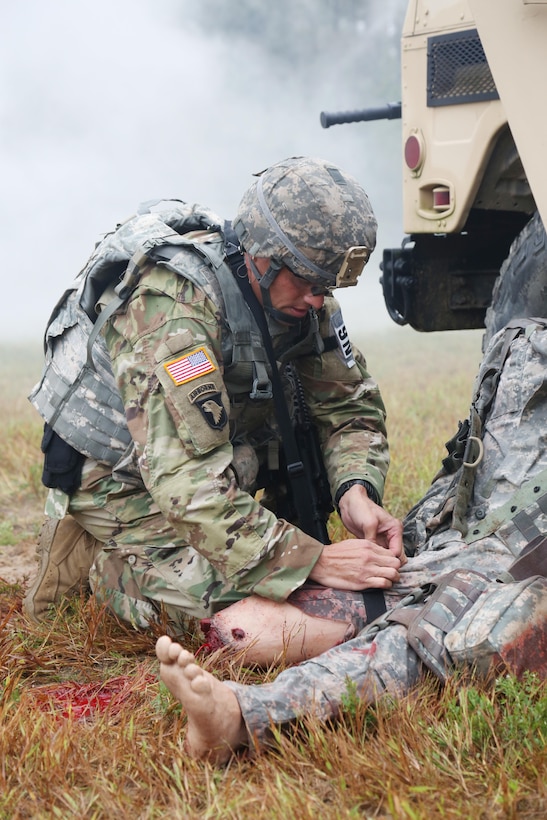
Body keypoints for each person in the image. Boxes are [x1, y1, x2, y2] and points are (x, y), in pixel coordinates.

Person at [24, 156, 405, 663]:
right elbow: (186, 481)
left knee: (282, 578)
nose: (319, 299)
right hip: (120, 476)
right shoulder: (172, 308)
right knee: (242, 607)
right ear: (263, 256)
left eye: (329, 285)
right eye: (310, 281)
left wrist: (354, 490)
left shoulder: (305, 299)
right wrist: (311, 561)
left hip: (206, 460)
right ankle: (108, 571)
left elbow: (347, 406)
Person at [154, 316, 547, 764]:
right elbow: (470, 471)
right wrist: (356, 495)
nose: (317, 299)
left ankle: (243, 715)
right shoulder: (525, 345)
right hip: (488, 535)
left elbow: (352, 408)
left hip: (514, 565)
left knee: (447, 629)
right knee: (397, 582)